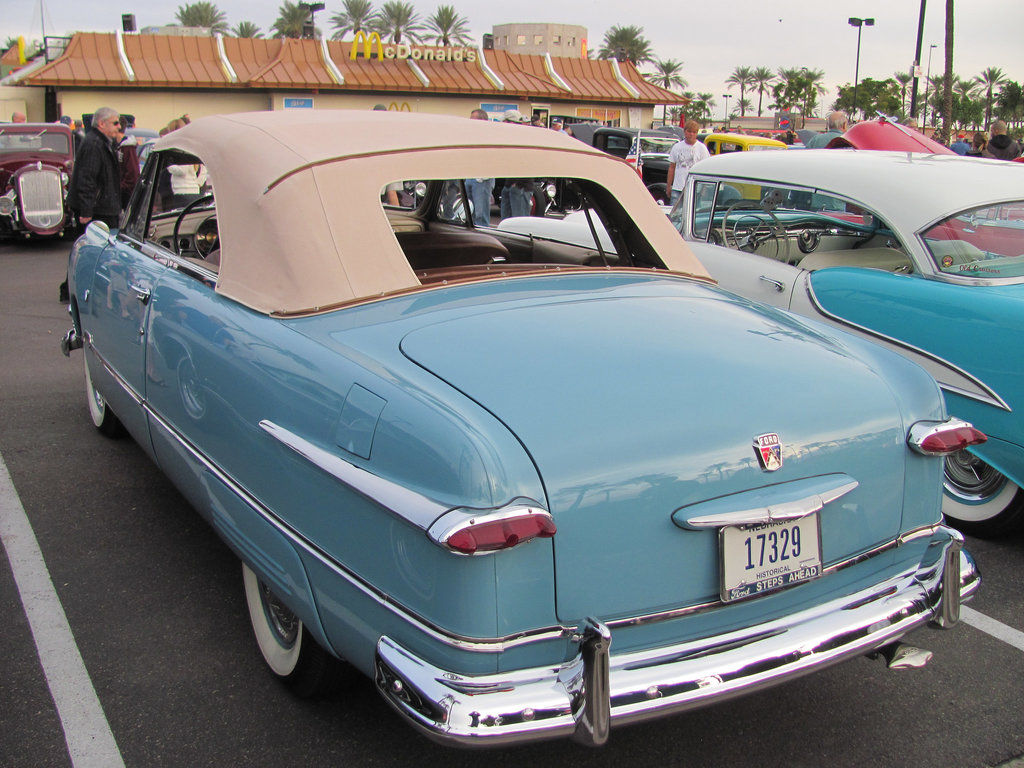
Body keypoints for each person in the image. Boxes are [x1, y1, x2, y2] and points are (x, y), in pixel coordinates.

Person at [61, 106, 122, 301]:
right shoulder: (94, 144)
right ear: (101, 124)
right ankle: (74, 288)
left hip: (103, 206)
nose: (118, 127)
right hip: (97, 209)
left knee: (96, 251)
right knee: (90, 251)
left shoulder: (101, 142)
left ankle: (79, 287)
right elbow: (87, 179)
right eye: (115, 123)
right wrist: (86, 211)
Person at [666, 119, 710, 206]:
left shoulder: (702, 148)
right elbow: (672, 167)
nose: (691, 134)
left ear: (697, 133)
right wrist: (668, 186)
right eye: (689, 131)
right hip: (678, 188)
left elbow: (706, 169)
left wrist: (704, 188)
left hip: (695, 189)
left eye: (694, 132)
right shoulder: (677, 147)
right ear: (685, 131)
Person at [465, 109, 495, 227]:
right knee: (469, 212)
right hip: (470, 178)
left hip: (482, 180)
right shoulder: (471, 136)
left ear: (482, 120)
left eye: (473, 119)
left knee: (480, 215)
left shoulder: (490, 136)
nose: (470, 122)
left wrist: (482, 177)